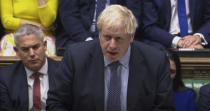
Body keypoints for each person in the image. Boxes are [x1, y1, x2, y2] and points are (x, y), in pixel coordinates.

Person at [47, 5, 175, 111]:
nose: (112, 45)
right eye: (107, 37)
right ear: (99, 33)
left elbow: (165, 108)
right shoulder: (76, 58)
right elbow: (55, 103)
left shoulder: (155, 61)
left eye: (119, 38)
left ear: (131, 36)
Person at [0, 24, 59, 111]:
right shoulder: (4, 77)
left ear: (45, 45)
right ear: (17, 51)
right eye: (25, 49)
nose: (31, 54)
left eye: (35, 47)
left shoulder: (62, 71)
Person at [56, 0, 141, 49]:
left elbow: (132, 15)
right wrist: (88, 41)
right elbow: (69, 16)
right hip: (77, 38)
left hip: (115, 36)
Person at [142, 0, 210, 49]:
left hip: (195, 37)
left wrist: (198, 37)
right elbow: (149, 27)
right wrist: (178, 42)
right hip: (164, 39)